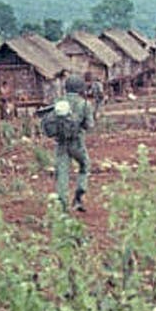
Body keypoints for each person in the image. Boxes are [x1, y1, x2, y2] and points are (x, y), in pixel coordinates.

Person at [44, 75, 95, 211]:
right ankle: (79, 196)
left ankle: (62, 204)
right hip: (77, 142)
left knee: (62, 173)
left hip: (61, 143)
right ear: (80, 88)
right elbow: (89, 125)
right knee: (84, 166)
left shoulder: (57, 102)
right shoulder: (84, 104)